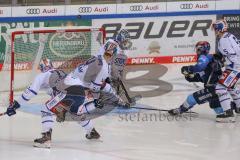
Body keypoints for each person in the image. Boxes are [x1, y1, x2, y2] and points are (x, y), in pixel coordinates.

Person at [168, 41, 231, 122]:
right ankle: (231, 109)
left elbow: (200, 67)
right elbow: (203, 76)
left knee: (191, 98)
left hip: (213, 88)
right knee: (216, 107)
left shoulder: (205, 57)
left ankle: (180, 110)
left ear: (203, 49)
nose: (197, 51)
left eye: (198, 49)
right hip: (217, 88)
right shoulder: (211, 59)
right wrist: (190, 76)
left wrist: (188, 69)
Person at [212, 19, 240, 118]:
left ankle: (228, 113)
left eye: (215, 28)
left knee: (220, 88)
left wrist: (221, 63)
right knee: (231, 87)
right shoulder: (229, 35)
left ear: (219, 28)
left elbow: (233, 57)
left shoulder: (223, 40)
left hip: (235, 67)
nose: (214, 30)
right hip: (235, 66)